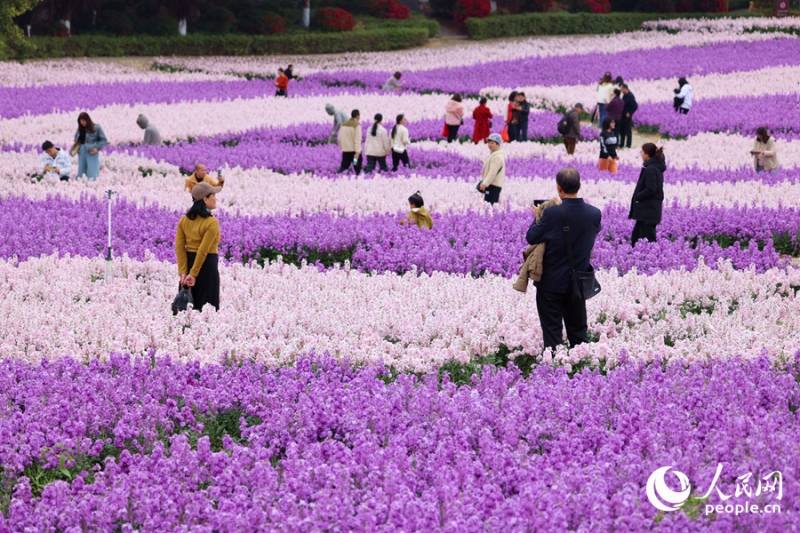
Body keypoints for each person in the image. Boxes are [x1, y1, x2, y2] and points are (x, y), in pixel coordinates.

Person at [525, 167, 601, 350]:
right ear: (580, 186)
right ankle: (583, 371)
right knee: (578, 332)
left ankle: (554, 372)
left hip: (551, 283)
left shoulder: (552, 214)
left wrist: (538, 217)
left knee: (552, 331)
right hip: (578, 282)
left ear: (558, 188)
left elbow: (532, 237)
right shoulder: (594, 213)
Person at [175, 181, 222, 312]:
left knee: (186, 309)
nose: (215, 198)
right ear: (205, 199)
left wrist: (184, 272)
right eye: (213, 195)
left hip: (189, 264)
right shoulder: (211, 222)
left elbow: (179, 247)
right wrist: (194, 275)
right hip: (207, 266)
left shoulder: (184, 220)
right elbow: (203, 250)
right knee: (207, 310)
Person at [514, 198, 558, 293]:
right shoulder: (590, 214)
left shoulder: (550, 220)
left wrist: (539, 216)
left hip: (549, 280)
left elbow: (532, 237)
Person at [629, 143, 665, 246]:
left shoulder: (650, 169)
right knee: (638, 237)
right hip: (649, 210)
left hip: (648, 210)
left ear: (647, 155)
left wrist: (638, 196)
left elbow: (651, 189)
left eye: (642, 152)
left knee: (646, 239)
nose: (641, 154)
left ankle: (649, 259)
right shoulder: (655, 167)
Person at [73, 112, 107, 180]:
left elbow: (103, 140)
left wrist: (97, 148)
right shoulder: (80, 129)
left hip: (91, 151)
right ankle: (82, 186)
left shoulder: (96, 128)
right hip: (81, 151)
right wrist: (76, 149)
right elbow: (77, 140)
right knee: (81, 172)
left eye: (83, 121)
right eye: (80, 121)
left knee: (93, 171)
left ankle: (93, 187)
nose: (82, 123)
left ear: (87, 120)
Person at [479, 133, 505, 205]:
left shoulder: (497, 156)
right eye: (489, 142)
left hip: (493, 186)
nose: (489, 144)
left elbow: (492, 173)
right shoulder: (494, 154)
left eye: (492, 143)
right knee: (492, 206)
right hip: (492, 185)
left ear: (498, 144)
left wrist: (484, 184)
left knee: (489, 205)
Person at [338, 109, 363, 174]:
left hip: (345, 151)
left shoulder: (343, 124)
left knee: (344, 166)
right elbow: (357, 140)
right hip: (354, 152)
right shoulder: (357, 125)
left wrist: (342, 147)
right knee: (356, 166)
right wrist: (357, 152)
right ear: (357, 116)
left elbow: (339, 138)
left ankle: (337, 177)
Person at [620, 84, 638, 149]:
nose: (621, 91)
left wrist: (630, 113)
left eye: (622, 89)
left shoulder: (630, 96)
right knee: (622, 130)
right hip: (622, 115)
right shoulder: (624, 95)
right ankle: (622, 143)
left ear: (625, 88)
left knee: (627, 130)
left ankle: (628, 145)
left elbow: (635, 105)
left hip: (627, 116)